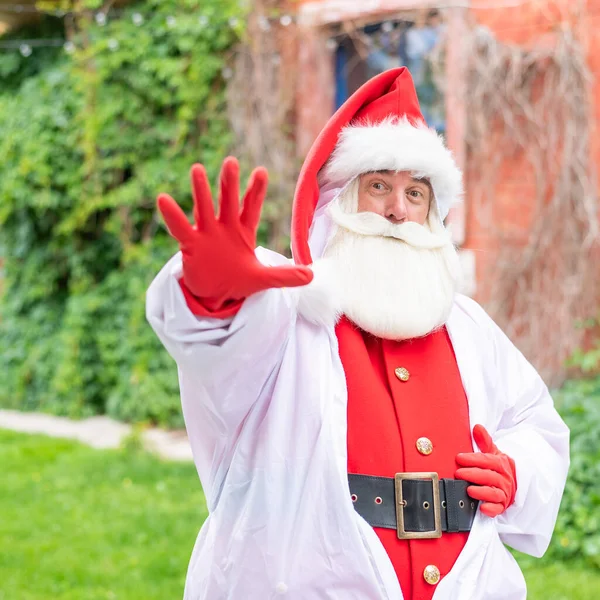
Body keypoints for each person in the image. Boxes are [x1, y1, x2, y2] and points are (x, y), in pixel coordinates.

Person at [146, 67, 569, 600]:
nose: (398, 209)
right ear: (337, 202)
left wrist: (516, 471)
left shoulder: (468, 327)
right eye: (378, 187)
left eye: (416, 194)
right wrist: (211, 291)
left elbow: (534, 422)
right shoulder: (289, 311)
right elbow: (217, 344)